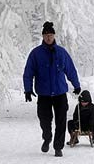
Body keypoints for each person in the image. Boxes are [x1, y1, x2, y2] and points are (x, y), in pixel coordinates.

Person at [23, 21, 81, 157]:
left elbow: (70, 69)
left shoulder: (61, 52)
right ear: (43, 37)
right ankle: (47, 137)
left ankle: (58, 147)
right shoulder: (36, 54)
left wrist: (76, 85)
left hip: (60, 93)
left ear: (54, 36)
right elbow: (28, 72)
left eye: (51, 35)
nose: (48, 37)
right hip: (43, 94)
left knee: (61, 121)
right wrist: (27, 89)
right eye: (46, 35)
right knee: (44, 120)